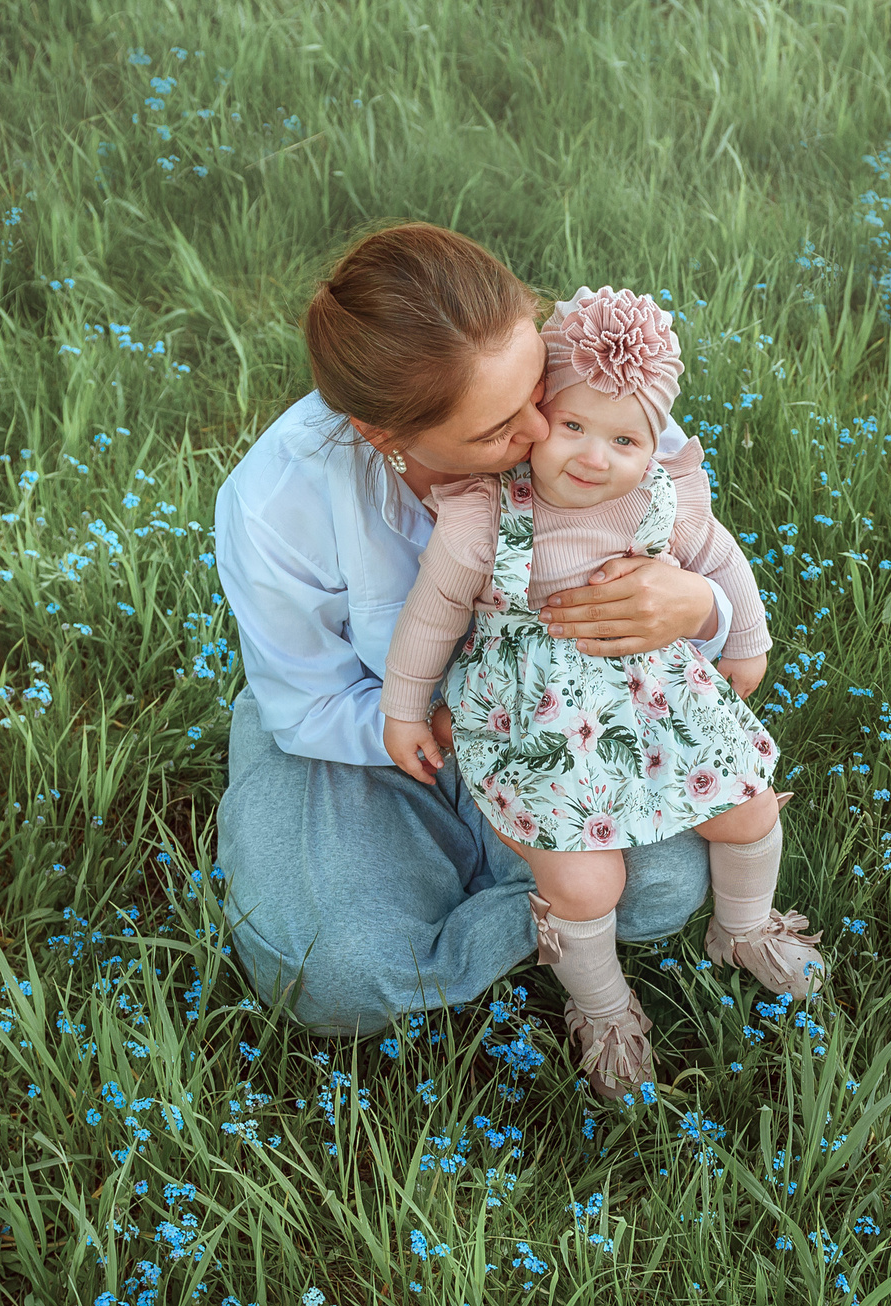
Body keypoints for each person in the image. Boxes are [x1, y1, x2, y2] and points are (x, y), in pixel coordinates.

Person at [210, 223, 756, 1048]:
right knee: (332, 973)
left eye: (536, 394)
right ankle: (542, 919)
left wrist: (697, 610)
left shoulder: (580, 385)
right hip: (384, 734)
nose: (543, 436)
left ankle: (550, 912)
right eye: (499, 429)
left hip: (572, 707)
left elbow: (697, 545)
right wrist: (454, 726)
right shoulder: (274, 502)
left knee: (665, 887)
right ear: (381, 435)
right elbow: (309, 703)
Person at [379, 286, 825, 1096]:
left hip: (650, 696)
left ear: (655, 442)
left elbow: (723, 562)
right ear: (540, 409)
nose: (592, 456)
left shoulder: (660, 494)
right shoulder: (484, 512)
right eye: (574, 426)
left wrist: (746, 637)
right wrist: (405, 703)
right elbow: (433, 612)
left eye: (624, 437)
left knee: (751, 806)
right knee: (589, 882)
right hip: (534, 715)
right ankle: (605, 1009)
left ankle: (745, 927)